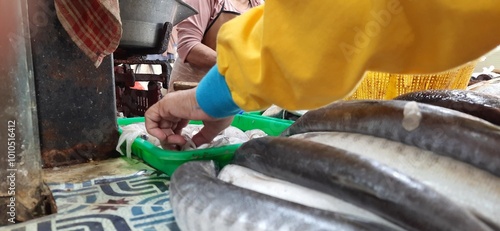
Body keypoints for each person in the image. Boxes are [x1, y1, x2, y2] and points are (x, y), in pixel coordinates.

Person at [145, 1, 500, 150]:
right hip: (200, 82)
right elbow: (188, 44)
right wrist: (220, 88)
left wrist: (221, 91)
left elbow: (332, 20)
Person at [167, 0, 264, 91]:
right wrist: (232, 66)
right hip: (193, 90)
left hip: (232, 92)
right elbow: (188, 46)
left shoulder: (259, 5)